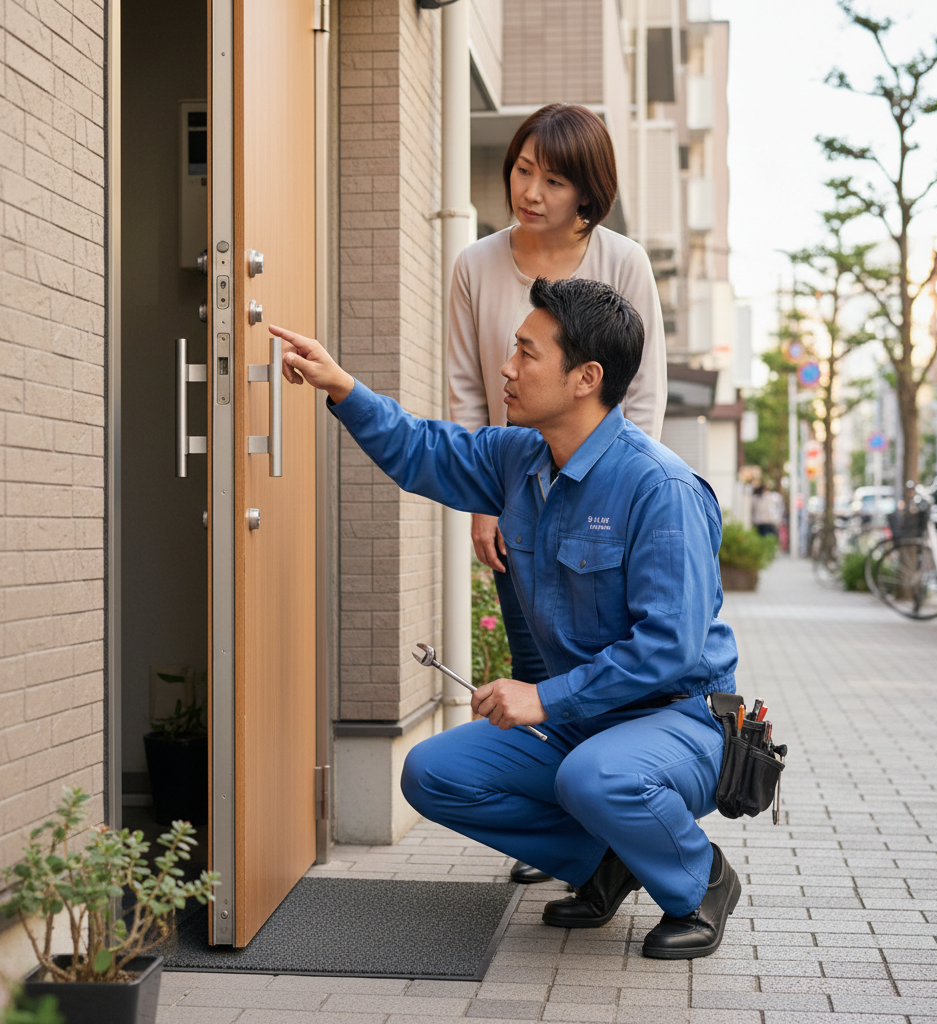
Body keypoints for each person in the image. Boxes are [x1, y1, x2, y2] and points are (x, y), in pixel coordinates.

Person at [269, 277, 740, 960]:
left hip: (679, 720)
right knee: (431, 773)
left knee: (596, 776)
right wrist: (342, 386)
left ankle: (701, 882)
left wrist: (544, 697)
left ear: (586, 378)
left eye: (526, 353)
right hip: (583, 719)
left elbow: (667, 648)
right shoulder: (520, 457)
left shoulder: (659, 489)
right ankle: (607, 862)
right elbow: (423, 451)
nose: (506, 368)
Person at [449, 104, 668, 883]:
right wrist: (481, 504)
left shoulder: (624, 262)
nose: (531, 190)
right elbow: (467, 396)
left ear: (588, 192)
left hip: (607, 507)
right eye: (521, 170)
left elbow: (642, 402)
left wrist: (631, 506)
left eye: (554, 178)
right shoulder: (476, 264)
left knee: (607, 669)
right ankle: (567, 839)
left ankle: (618, 818)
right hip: (517, 501)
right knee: (534, 668)